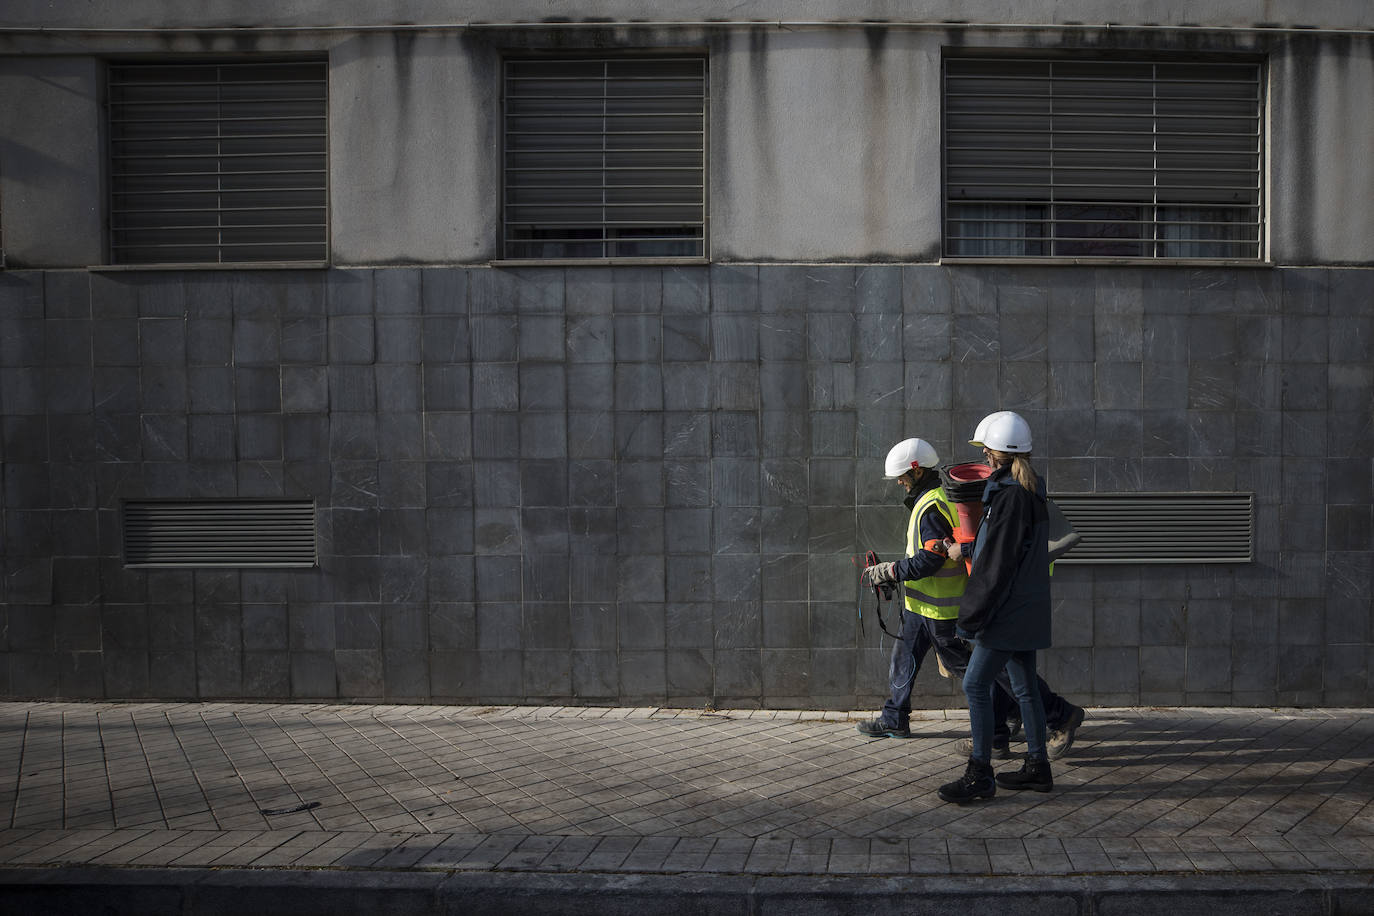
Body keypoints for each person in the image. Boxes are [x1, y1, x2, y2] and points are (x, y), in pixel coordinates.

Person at [856, 437, 1085, 758]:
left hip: (942, 610)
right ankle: (895, 717)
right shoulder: (947, 496)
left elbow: (931, 559)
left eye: (903, 476)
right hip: (921, 606)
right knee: (905, 657)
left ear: (918, 471)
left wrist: (890, 571)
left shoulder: (932, 506)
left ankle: (1047, 717)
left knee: (984, 674)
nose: (899, 482)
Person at [938, 410, 1055, 804]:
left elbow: (997, 565)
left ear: (994, 453)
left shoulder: (1010, 498)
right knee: (1024, 689)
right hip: (1027, 605)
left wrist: (971, 617)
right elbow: (1005, 550)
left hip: (1006, 610)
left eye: (985, 450)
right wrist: (969, 548)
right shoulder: (1029, 490)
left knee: (974, 683)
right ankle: (1038, 767)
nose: (984, 457)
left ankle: (979, 774)